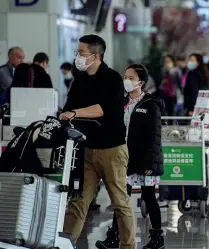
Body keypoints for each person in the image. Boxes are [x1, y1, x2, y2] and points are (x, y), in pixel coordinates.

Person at [60, 34, 135, 249]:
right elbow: (68, 108)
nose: (78, 57)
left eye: (81, 53)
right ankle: (65, 243)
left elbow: (103, 109)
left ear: (96, 55)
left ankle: (128, 246)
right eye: (77, 52)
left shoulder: (112, 79)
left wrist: (74, 113)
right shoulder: (80, 80)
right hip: (87, 149)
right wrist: (66, 115)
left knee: (120, 202)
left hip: (112, 150)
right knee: (78, 201)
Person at [95, 64, 165, 249]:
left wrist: (150, 161)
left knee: (149, 197)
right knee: (121, 198)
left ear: (141, 82)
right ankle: (114, 236)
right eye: (125, 76)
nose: (126, 80)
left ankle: (157, 238)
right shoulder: (121, 103)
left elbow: (155, 137)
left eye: (131, 78)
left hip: (144, 159)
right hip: (123, 158)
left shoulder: (150, 105)